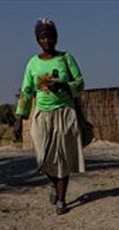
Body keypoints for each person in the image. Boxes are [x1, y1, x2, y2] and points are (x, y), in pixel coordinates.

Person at [13, 19, 86, 215]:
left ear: (56, 38)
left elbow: (80, 83)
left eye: (50, 36)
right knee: (42, 158)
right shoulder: (33, 63)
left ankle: (62, 199)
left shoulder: (65, 58)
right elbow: (27, 91)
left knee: (62, 158)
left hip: (64, 112)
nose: (47, 40)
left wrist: (64, 85)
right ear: (38, 40)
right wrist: (19, 117)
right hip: (41, 114)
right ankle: (54, 184)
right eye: (43, 37)